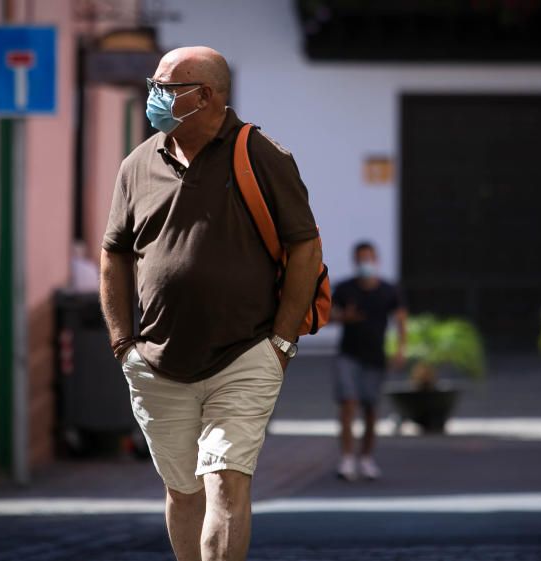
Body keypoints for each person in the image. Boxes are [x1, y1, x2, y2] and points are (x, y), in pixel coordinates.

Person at [99, 46, 322, 561]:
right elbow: (114, 254)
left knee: (225, 481)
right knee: (183, 491)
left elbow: (305, 245)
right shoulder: (138, 163)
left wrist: (282, 341)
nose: (155, 96)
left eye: (167, 87)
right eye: (153, 84)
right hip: (157, 361)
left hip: (244, 356)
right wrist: (122, 343)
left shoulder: (261, 154)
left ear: (206, 96)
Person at [330, 242, 407, 480]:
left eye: (369, 258)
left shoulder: (388, 290)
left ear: (376, 260)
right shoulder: (344, 289)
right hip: (348, 355)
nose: (366, 263)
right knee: (348, 403)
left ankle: (365, 457)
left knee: (371, 409)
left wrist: (401, 350)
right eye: (362, 258)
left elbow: (401, 319)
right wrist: (344, 317)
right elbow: (326, 316)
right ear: (356, 261)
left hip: (375, 357)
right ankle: (346, 458)